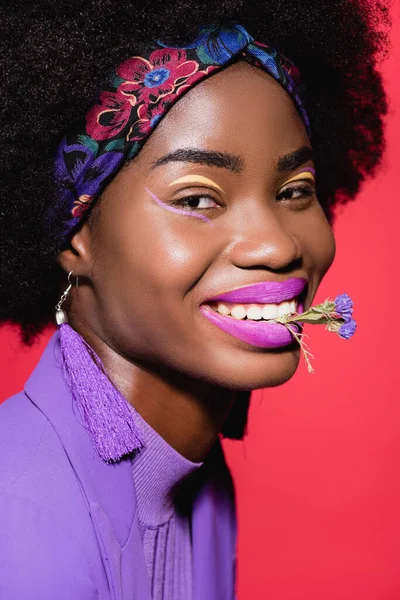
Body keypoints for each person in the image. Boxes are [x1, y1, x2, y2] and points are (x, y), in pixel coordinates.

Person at [0, 1, 389, 598]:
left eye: (294, 190)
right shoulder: (18, 514)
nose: (276, 245)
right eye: (196, 198)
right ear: (75, 235)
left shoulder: (197, 479)